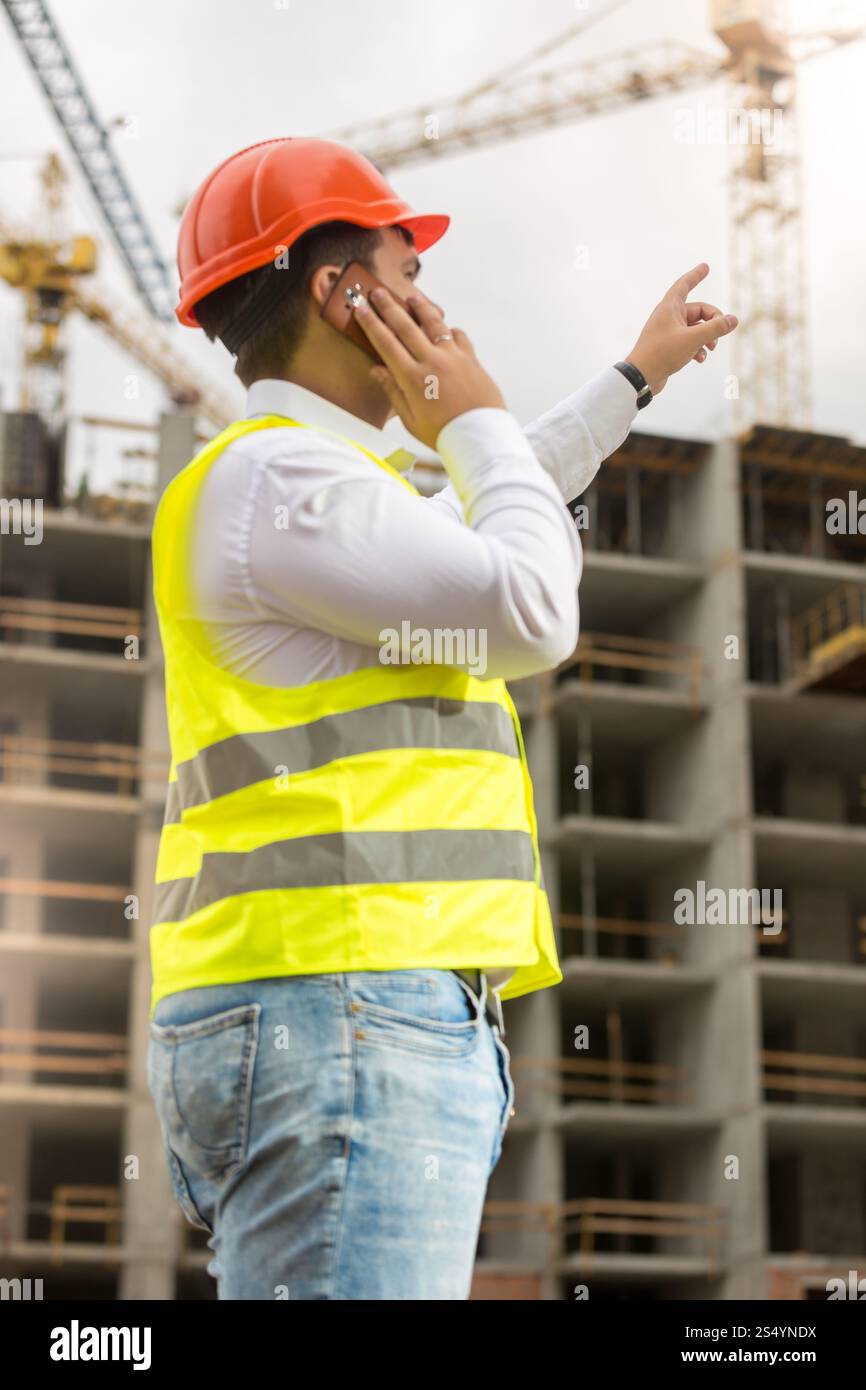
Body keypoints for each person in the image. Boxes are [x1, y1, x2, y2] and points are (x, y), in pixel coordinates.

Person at [146, 137, 737, 1300]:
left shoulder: (302, 486)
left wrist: (628, 381)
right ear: (342, 293)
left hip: (327, 1007)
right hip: (345, 1004)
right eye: (405, 275)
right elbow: (524, 604)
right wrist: (469, 420)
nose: (432, 306)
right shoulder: (284, 488)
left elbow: (482, 517)